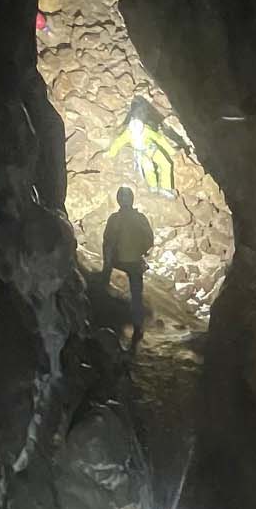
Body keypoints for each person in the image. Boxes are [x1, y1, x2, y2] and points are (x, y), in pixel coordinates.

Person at [101, 185, 154, 346]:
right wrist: (141, 251)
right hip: (135, 263)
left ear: (118, 200)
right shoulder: (140, 218)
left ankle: (109, 323)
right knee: (136, 296)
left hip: (117, 262)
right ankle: (137, 328)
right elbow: (149, 240)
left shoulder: (114, 219)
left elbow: (107, 242)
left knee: (106, 292)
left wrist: (107, 265)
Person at [105, 96, 186, 198]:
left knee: (163, 165)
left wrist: (171, 151)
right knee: (151, 168)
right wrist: (111, 153)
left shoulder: (139, 131)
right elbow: (119, 142)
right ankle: (156, 187)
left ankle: (163, 187)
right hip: (143, 152)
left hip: (149, 149)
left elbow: (159, 139)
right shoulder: (133, 132)